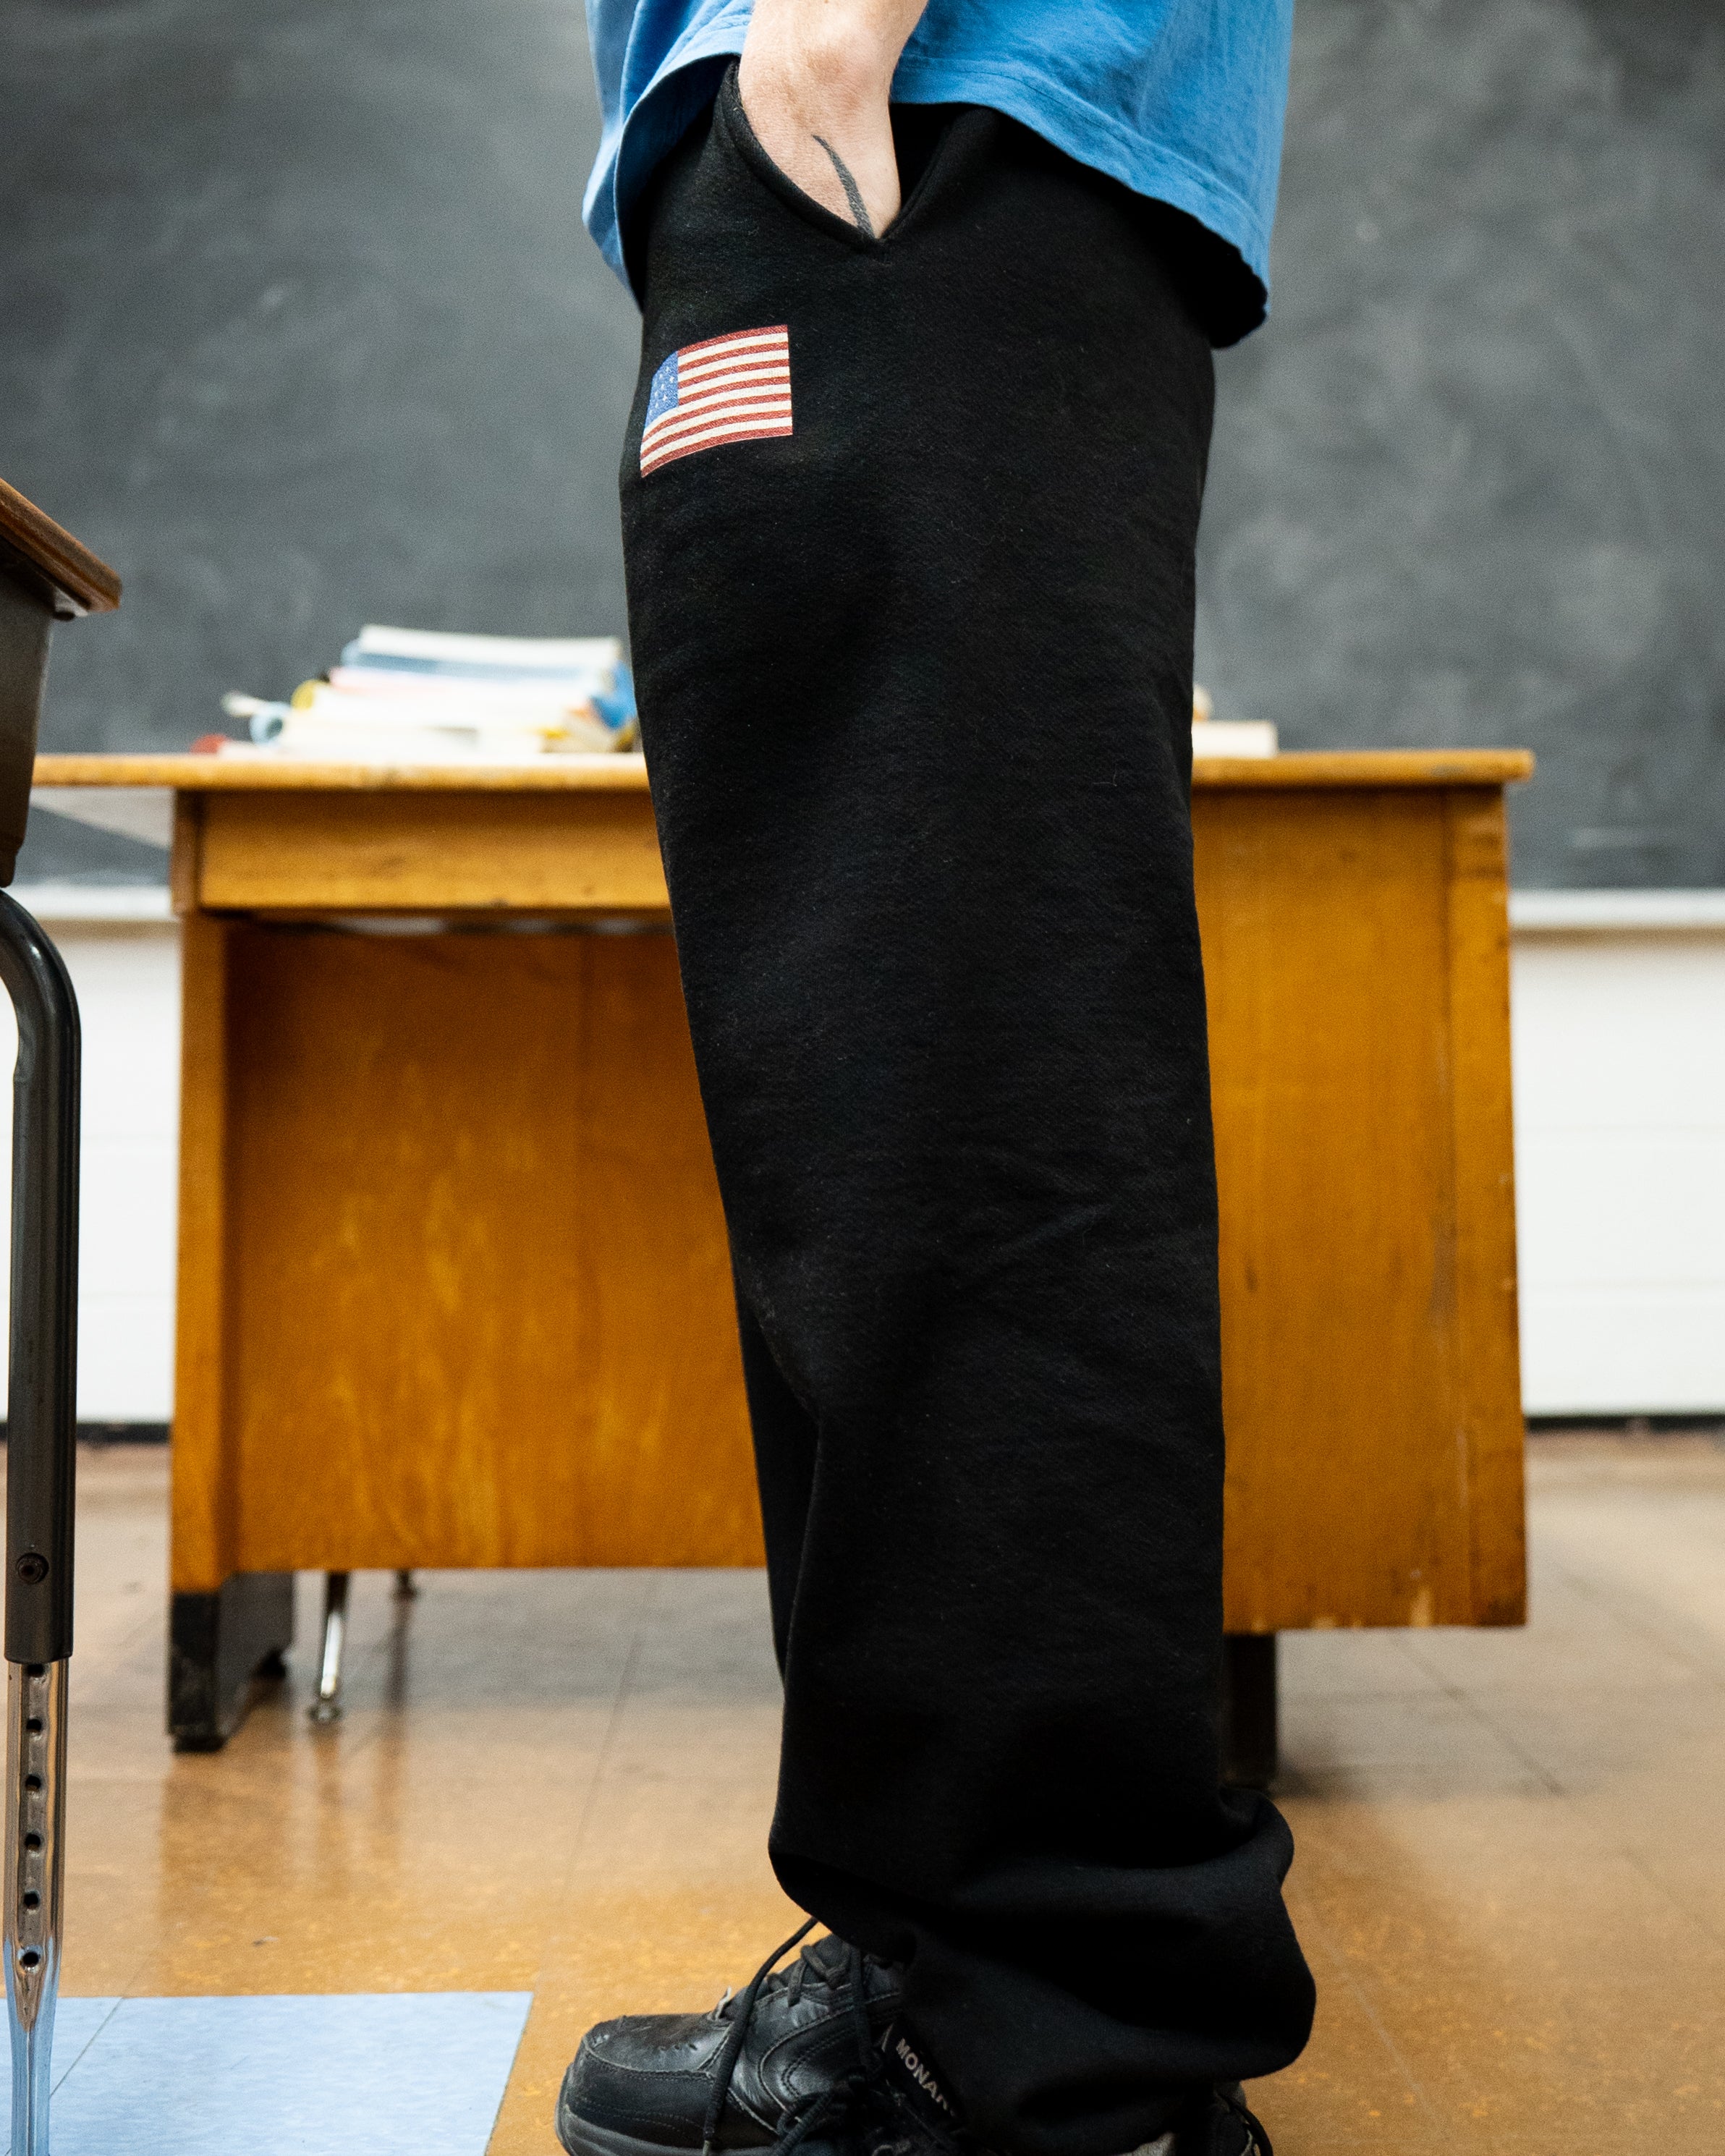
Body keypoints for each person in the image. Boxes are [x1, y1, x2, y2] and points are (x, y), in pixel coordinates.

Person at [557, 4, 1315, 2154]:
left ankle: (1046, 2055)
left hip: (901, 130)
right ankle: (970, 1976)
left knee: (952, 1110)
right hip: (893, 165)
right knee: (885, 1111)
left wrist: (815, 48)